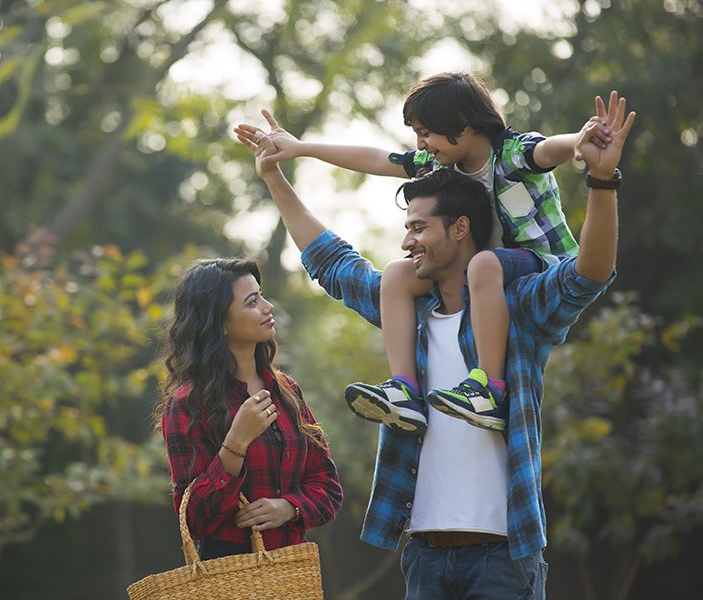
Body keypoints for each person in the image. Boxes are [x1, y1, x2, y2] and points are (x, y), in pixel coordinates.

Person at [238, 92, 634, 598]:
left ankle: (483, 388)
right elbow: (332, 263)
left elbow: (589, 274)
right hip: (423, 556)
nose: (406, 243)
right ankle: (404, 391)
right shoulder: (409, 314)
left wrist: (602, 180)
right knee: (392, 276)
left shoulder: (519, 312)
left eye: (419, 228)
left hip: (502, 556)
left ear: (461, 228)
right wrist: (276, 176)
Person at [235, 72, 613, 435]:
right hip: (480, 277)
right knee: (399, 273)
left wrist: (580, 142)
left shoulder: (511, 153)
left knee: (484, 263)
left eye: (426, 133)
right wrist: (302, 149)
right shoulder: (439, 165)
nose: (420, 144)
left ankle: (488, 388)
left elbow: (549, 150)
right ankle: (403, 390)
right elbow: (376, 160)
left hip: (537, 266)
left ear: (462, 124)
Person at [155, 258, 343, 560]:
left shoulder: (286, 391)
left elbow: (328, 487)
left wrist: (289, 508)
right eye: (252, 302)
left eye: (262, 296)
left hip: (292, 571)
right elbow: (194, 520)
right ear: (219, 322)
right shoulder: (186, 405)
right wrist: (235, 443)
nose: (267, 307)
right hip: (230, 574)